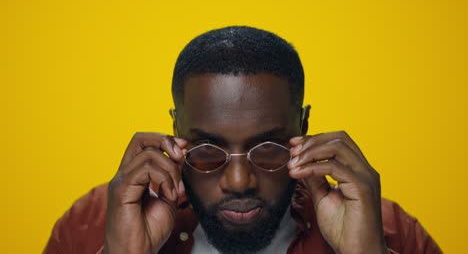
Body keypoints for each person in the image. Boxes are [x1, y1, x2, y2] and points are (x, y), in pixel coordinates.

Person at [44, 26, 441, 254]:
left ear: (302, 128)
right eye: (207, 150)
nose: (238, 181)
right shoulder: (91, 226)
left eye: (268, 148)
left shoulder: (388, 231)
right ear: (176, 132)